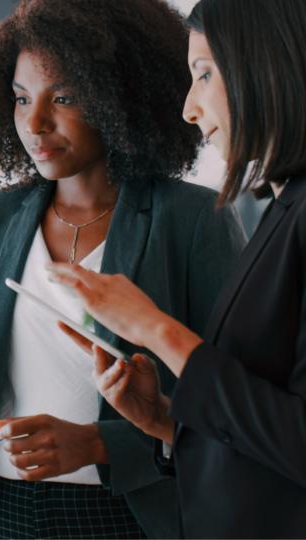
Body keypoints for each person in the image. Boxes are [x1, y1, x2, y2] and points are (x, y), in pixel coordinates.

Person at [0, 0, 248, 538]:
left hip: (127, 516)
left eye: (62, 97)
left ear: (120, 96)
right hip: (0, 516)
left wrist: (96, 444)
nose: (35, 123)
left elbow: (235, 409)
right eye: (21, 99)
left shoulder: (193, 219)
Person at [48, 0, 306, 537]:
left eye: (204, 75)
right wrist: (164, 420)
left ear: (266, 67)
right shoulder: (280, 211)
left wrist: (155, 330)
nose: (190, 108)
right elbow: (266, 434)